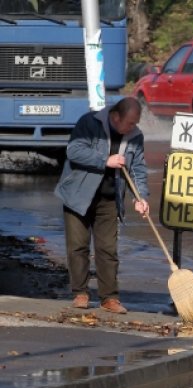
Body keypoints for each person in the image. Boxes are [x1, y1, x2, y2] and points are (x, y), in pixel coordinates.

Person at [55, 97, 149, 314]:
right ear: (116, 117)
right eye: (131, 122)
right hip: (78, 194)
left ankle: (110, 298)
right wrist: (105, 159)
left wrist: (140, 197)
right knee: (78, 246)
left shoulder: (135, 136)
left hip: (109, 198)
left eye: (136, 122)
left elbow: (137, 169)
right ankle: (80, 293)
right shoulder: (89, 123)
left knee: (108, 249)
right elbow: (74, 151)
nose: (133, 127)